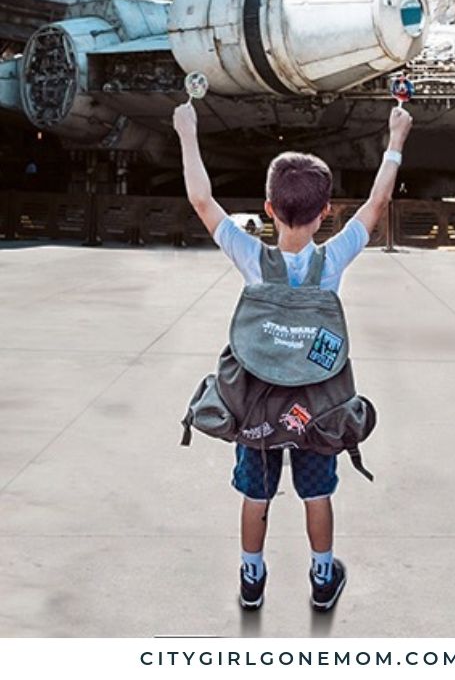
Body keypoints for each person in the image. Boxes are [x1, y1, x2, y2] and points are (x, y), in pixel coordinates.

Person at [173, 100, 413, 612]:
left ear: (268, 209)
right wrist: (395, 140)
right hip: (316, 409)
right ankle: (322, 578)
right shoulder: (333, 259)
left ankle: (251, 578)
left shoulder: (252, 257)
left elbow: (201, 199)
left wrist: (187, 131)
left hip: (256, 406)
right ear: (326, 212)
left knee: (255, 494)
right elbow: (376, 204)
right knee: (317, 493)